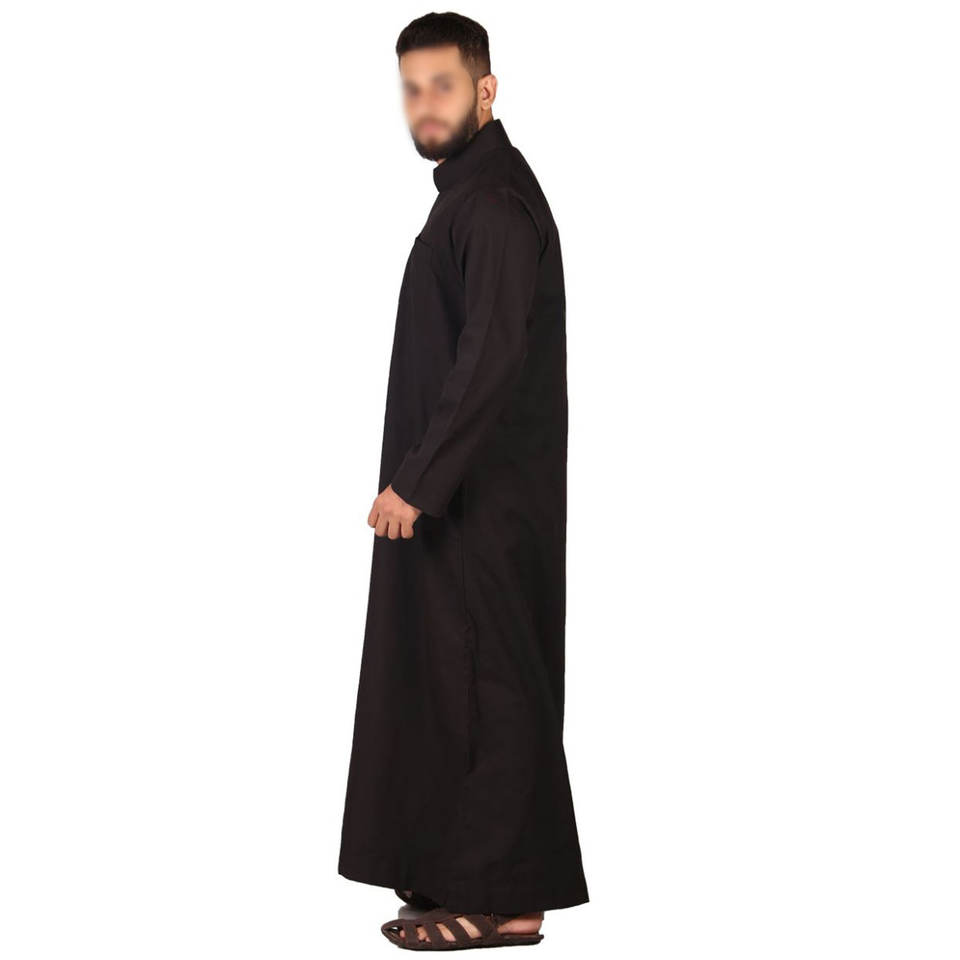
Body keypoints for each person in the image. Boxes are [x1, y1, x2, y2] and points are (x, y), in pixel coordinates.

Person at [338, 12, 589, 949]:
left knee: (492, 685)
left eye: (442, 86)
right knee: (450, 680)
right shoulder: (470, 196)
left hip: (484, 503)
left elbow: (489, 359)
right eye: (411, 89)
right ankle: (457, 873)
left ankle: (509, 899)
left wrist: (418, 482)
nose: (424, 105)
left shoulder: (493, 203)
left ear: (486, 90)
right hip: (460, 501)